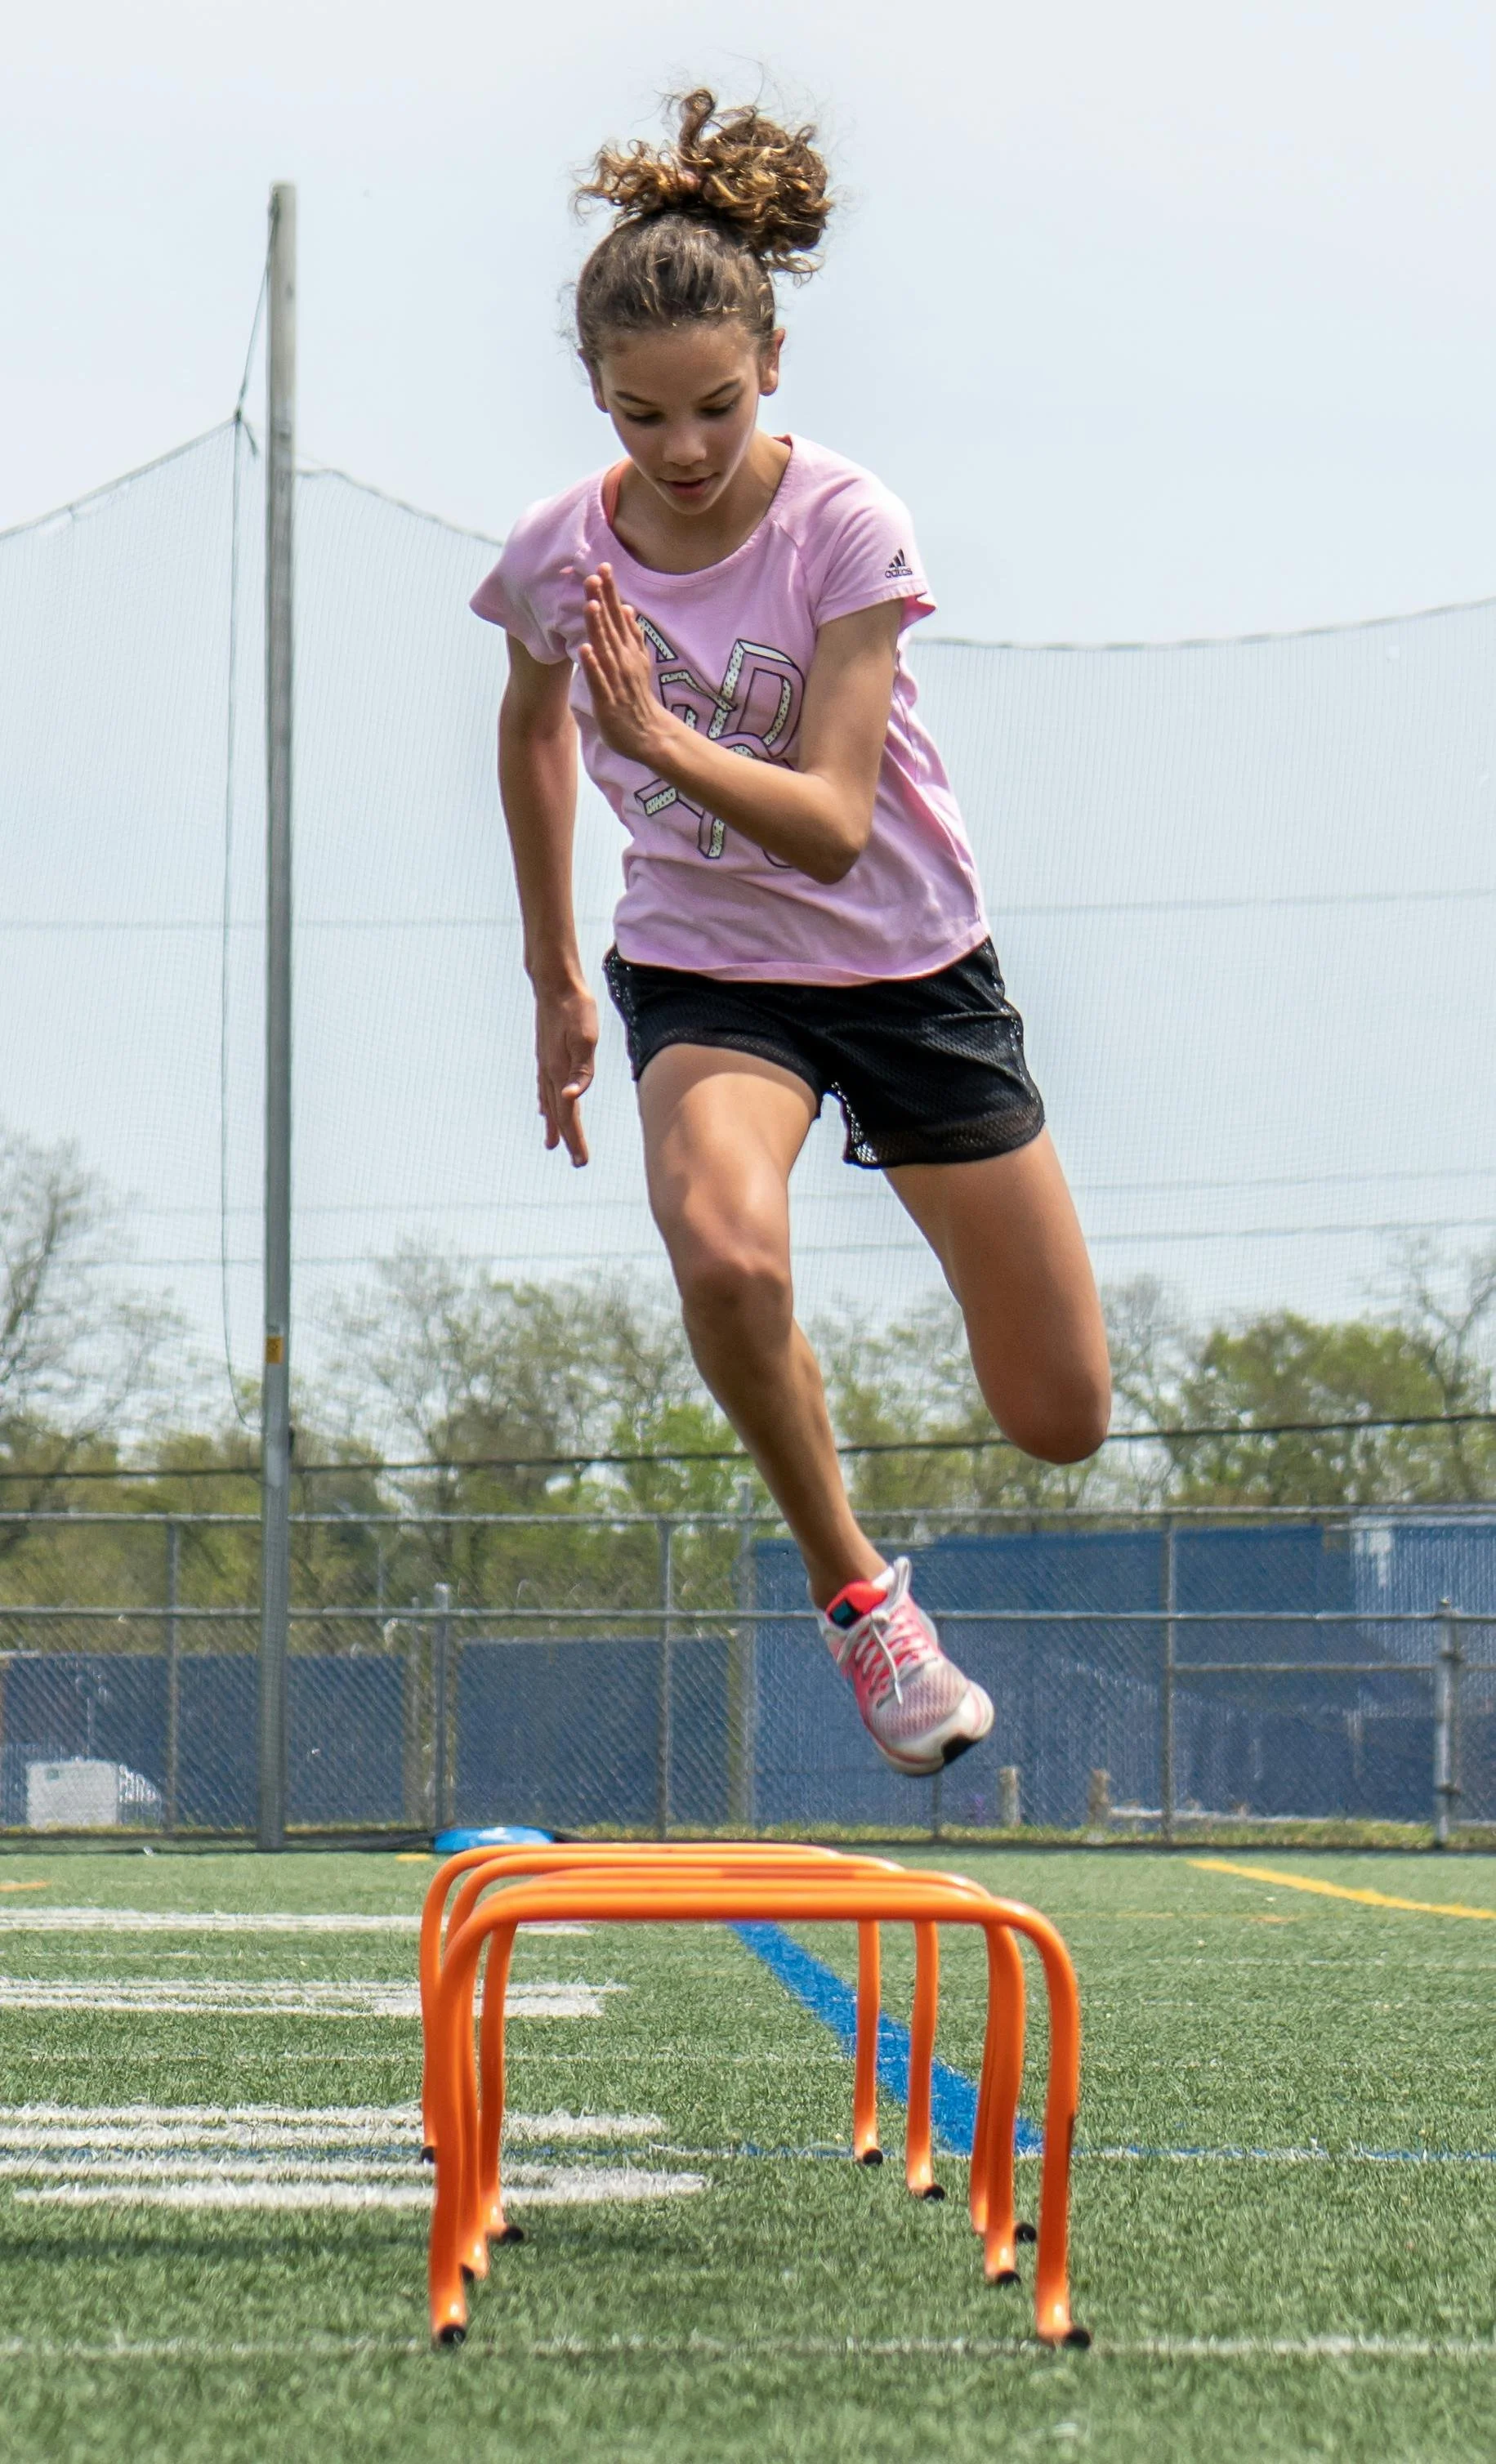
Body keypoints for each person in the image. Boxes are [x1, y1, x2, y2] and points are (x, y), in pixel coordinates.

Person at [472, 90, 1111, 1778]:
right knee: (726, 1249)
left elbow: (831, 823)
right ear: (596, 397)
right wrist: (555, 974)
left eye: (714, 407)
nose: (680, 449)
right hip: (707, 968)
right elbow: (534, 726)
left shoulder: (846, 526)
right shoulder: (561, 547)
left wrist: (665, 741)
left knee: (1062, 1416)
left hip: (905, 966)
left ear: (771, 362)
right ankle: (861, 1602)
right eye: (641, 415)